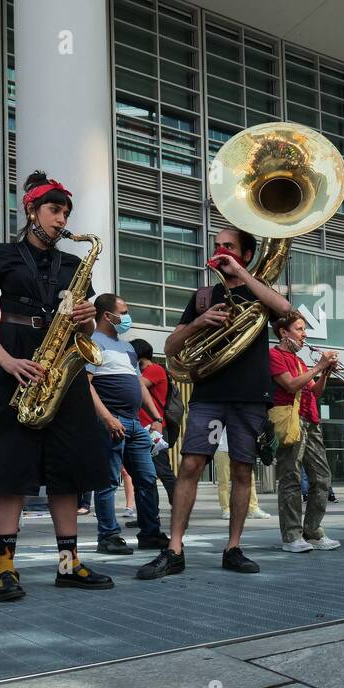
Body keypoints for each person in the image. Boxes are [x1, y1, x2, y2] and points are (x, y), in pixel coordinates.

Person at [0, 171, 115, 601]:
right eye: (54, 210)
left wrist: (88, 318)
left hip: (62, 361)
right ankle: (6, 569)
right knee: (10, 468)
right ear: (31, 210)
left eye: (65, 213)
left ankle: (69, 564)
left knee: (68, 468)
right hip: (13, 355)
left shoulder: (74, 263)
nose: (62, 220)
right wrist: (5, 360)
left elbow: (91, 323)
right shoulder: (1, 254)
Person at [138, 226, 292, 579]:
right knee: (191, 464)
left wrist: (242, 275)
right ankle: (174, 549)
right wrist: (199, 324)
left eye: (230, 247)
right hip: (210, 394)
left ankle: (233, 548)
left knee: (241, 469)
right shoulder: (204, 296)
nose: (221, 251)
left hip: (250, 397)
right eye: (218, 246)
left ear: (247, 255)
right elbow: (172, 347)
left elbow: (285, 308)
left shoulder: (260, 293)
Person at [86, 292, 169, 555]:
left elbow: (137, 385)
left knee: (147, 478)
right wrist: (107, 418)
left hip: (134, 424)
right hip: (112, 423)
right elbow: (85, 386)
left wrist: (156, 417)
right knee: (109, 481)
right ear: (108, 315)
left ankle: (150, 533)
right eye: (124, 311)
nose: (127, 316)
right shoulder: (92, 344)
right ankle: (108, 536)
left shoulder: (127, 347)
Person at [269, 311, 340, 553]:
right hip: (291, 420)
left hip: (311, 421)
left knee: (322, 478)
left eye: (303, 330)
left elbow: (314, 392)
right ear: (283, 332)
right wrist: (320, 365)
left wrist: (326, 372)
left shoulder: (300, 362)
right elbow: (290, 385)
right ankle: (291, 536)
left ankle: (312, 530)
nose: (304, 334)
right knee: (291, 478)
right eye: (299, 329)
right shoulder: (274, 355)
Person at [129, 338, 179, 512]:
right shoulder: (144, 372)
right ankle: (147, 513)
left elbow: (135, 386)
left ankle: (179, 507)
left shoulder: (155, 369)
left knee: (162, 470)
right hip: (142, 428)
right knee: (141, 474)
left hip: (154, 428)